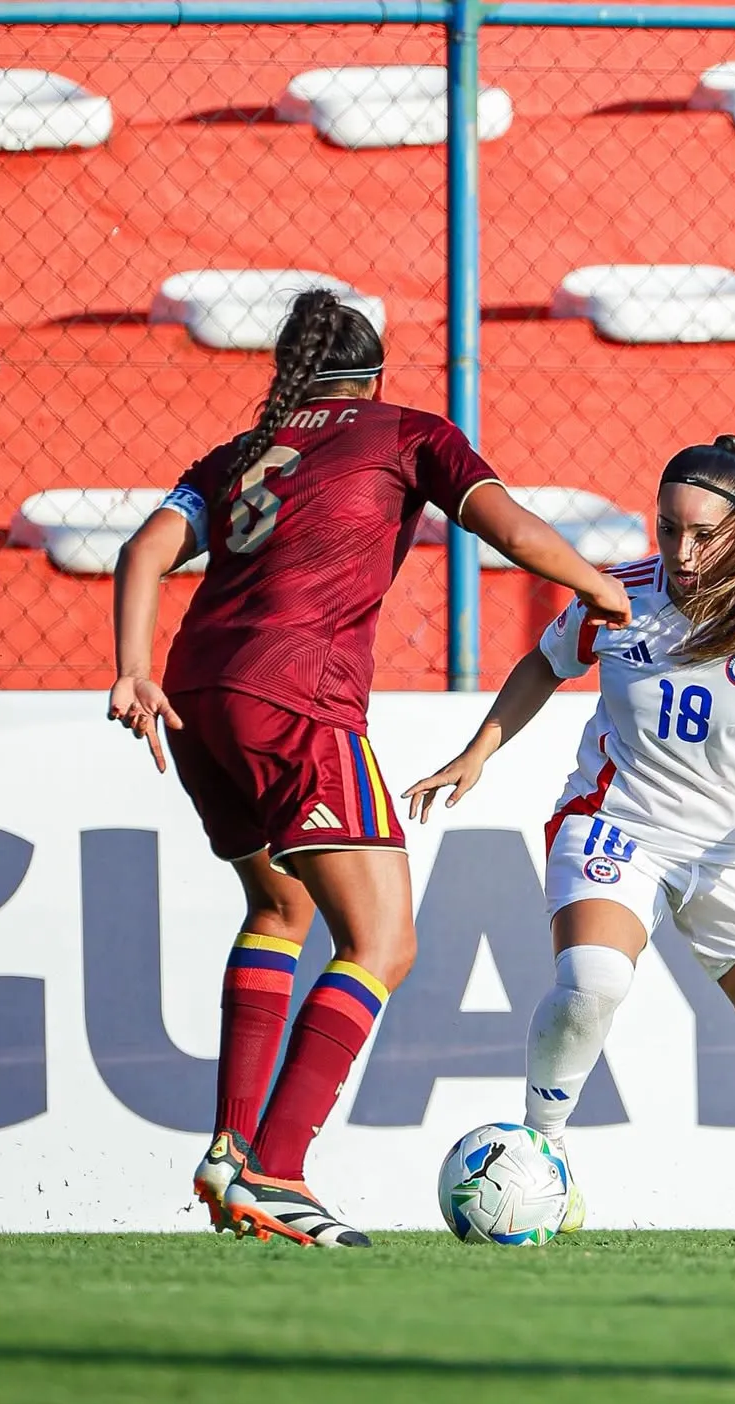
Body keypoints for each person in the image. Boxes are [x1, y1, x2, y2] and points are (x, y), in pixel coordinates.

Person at [108, 289, 631, 1249]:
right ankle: (278, 1170)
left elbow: (144, 548)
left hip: (193, 691)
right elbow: (508, 530)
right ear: (377, 372)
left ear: (289, 375)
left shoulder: (234, 455)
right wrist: (601, 588)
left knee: (278, 910)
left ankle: (231, 1150)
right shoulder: (409, 432)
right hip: (298, 696)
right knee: (384, 941)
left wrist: (134, 668)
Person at [405, 434, 735, 1248]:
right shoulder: (618, 595)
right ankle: (544, 1154)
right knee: (592, 978)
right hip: (614, 823)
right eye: (669, 528)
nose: (682, 549)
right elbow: (543, 662)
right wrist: (478, 753)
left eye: (704, 534)